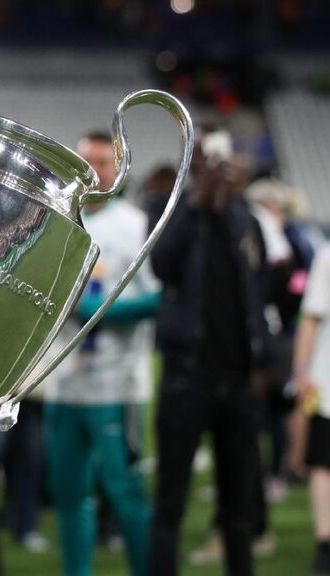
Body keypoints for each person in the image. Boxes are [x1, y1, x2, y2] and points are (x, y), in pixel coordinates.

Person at [147, 130, 269, 576]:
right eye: (208, 159)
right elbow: (162, 267)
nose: (218, 168)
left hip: (236, 381)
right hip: (187, 377)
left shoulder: (244, 219)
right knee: (170, 502)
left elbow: (257, 293)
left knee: (239, 510)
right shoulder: (173, 212)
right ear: (193, 163)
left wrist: (262, 358)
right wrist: (198, 201)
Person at [43, 131, 158, 576]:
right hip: (62, 382)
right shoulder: (56, 223)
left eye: (101, 163)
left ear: (119, 170)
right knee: (68, 492)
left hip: (117, 383)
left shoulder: (136, 224)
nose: (91, 172)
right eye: (83, 161)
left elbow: (160, 299)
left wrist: (98, 311)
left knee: (125, 490)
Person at [294, 244, 330, 573]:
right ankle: (325, 540)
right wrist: (302, 370)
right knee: (322, 463)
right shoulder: (327, 256)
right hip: (327, 379)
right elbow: (311, 317)